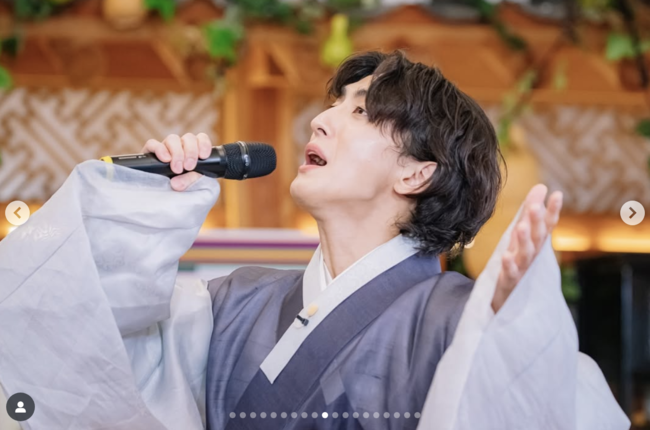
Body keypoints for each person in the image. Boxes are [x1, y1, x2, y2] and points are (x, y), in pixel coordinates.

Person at [141, 50, 563, 430]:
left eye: (360, 110)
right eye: (333, 105)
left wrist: (510, 331)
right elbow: (116, 362)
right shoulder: (234, 301)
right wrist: (153, 207)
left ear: (416, 174)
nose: (318, 120)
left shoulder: (456, 319)